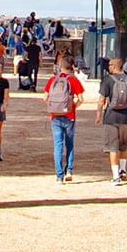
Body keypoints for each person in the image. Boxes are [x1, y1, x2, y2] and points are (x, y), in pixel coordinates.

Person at [95, 58, 127, 184]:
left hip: (111, 117)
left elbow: (101, 100)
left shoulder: (107, 80)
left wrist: (98, 114)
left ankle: (115, 176)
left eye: (109, 65)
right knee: (123, 145)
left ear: (114, 67)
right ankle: (123, 170)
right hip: (125, 117)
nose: (108, 67)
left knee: (112, 147)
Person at [44, 54, 85, 183]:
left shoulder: (52, 80)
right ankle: (69, 170)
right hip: (69, 115)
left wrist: (54, 107)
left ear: (59, 66)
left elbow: (45, 98)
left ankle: (59, 174)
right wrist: (73, 107)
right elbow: (81, 99)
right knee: (69, 143)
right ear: (72, 66)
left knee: (58, 145)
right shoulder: (73, 80)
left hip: (55, 116)